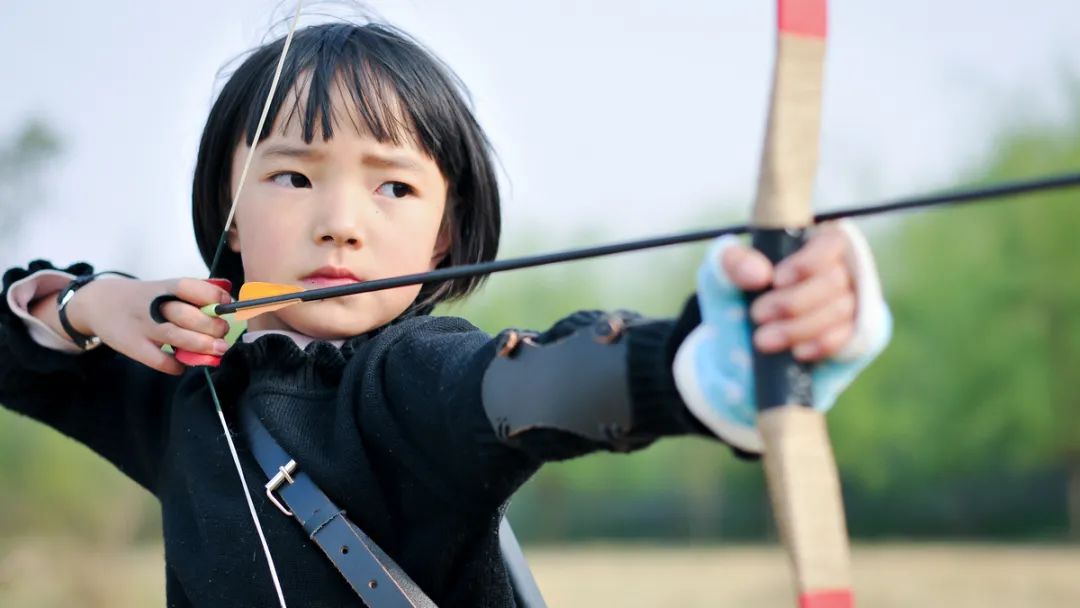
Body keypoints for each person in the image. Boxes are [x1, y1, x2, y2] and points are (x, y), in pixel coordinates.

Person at [0, 20, 889, 608]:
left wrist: (706, 363)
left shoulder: (409, 377)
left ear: (443, 238)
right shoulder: (176, 384)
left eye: (392, 185)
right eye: (292, 175)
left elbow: (521, 379)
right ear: (228, 210)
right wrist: (86, 304)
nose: (341, 222)